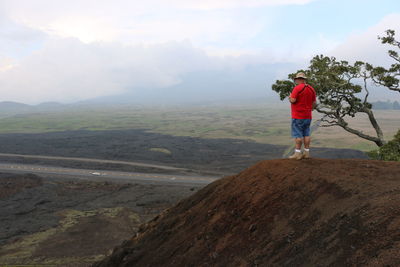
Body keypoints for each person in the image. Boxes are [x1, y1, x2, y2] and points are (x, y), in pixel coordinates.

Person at [288, 72, 317, 160]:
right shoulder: (311, 89)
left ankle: (297, 153)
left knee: (298, 135)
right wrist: (310, 109)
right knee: (306, 134)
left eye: (296, 79)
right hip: (308, 116)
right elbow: (314, 103)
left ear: (299, 79)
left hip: (298, 115)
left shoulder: (297, 88)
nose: (296, 81)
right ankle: (307, 152)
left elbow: (293, 100)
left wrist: (289, 97)